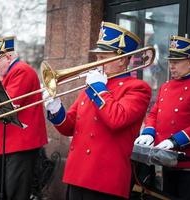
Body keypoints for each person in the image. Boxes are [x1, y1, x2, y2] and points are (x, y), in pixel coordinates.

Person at [44, 21, 152, 200]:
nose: (98, 63)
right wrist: (55, 108)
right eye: (97, 58)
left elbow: (116, 119)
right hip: (77, 174)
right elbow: (69, 127)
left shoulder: (137, 88)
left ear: (122, 59)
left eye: (104, 58)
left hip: (105, 179)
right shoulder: (94, 86)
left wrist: (99, 89)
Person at [0, 36, 48, 200]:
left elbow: (9, 103)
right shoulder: (12, 72)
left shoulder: (21, 70)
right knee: (9, 188)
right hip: (14, 140)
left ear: (8, 57)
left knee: (16, 190)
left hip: (22, 141)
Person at [134, 35, 190, 200]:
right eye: (170, 62)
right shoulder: (165, 87)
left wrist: (176, 140)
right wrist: (149, 132)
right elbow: (153, 114)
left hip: (188, 164)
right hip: (166, 161)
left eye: (177, 62)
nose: (171, 66)